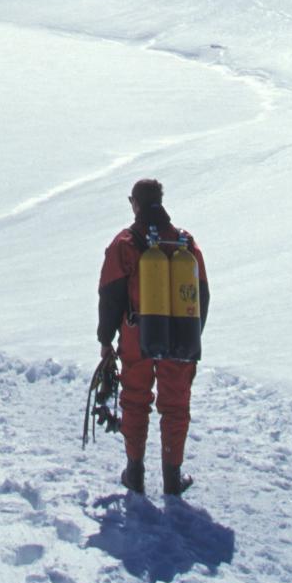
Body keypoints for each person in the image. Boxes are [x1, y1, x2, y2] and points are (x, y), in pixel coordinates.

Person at [97, 178, 210, 496]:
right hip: (179, 333)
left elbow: (110, 295)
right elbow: (202, 294)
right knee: (175, 406)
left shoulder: (125, 243)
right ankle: (172, 479)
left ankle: (135, 474)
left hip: (137, 335)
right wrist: (190, 334)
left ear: (135, 203)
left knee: (135, 400)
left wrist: (106, 341)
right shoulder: (185, 243)